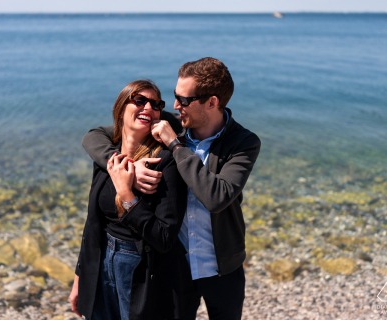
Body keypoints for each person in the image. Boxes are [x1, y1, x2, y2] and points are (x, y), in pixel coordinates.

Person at [82, 57, 261, 320]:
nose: (176, 106)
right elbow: (95, 136)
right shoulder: (174, 121)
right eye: (176, 97)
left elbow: (216, 197)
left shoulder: (243, 143)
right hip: (174, 266)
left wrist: (176, 146)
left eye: (184, 100)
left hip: (222, 266)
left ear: (212, 102)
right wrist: (126, 166)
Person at [69, 79, 187, 320]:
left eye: (156, 104)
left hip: (139, 268)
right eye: (140, 100)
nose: (148, 108)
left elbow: (164, 238)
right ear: (121, 108)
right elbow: (93, 222)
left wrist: (127, 196)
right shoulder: (107, 157)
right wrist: (80, 277)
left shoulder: (165, 162)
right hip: (101, 260)